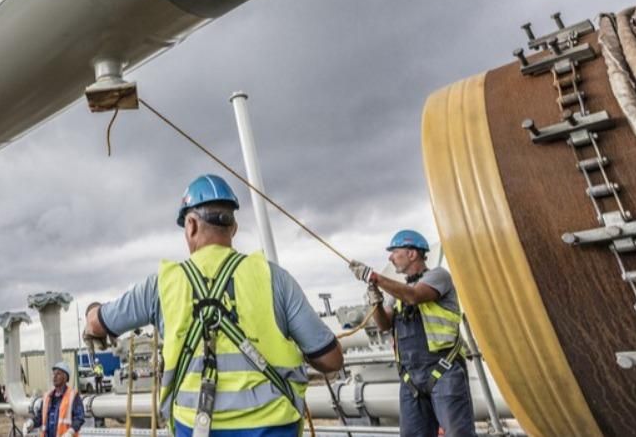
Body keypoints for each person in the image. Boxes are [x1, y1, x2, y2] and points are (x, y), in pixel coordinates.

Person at [84, 174, 344, 437]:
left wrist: (92, 310)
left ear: (191, 226)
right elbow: (331, 359)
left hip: (194, 427)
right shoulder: (274, 278)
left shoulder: (162, 285)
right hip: (273, 426)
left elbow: (97, 322)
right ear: (233, 227)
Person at [348, 229, 475, 437]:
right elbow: (384, 325)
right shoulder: (398, 293)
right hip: (410, 378)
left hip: (444, 371)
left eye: (395, 251)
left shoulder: (438, 277)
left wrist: (375, 277)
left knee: (458, 433)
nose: (390, 257)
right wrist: (376, 302)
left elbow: (415, 296)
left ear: (412, 253)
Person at [24, 362, 84, 437]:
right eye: (53, 374)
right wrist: (31, 422)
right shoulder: (47, 396)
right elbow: (41, 417)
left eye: (58, 374)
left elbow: (79, 418)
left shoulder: (73, 396)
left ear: (65, 377)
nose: (54, 376)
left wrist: (71, 432)